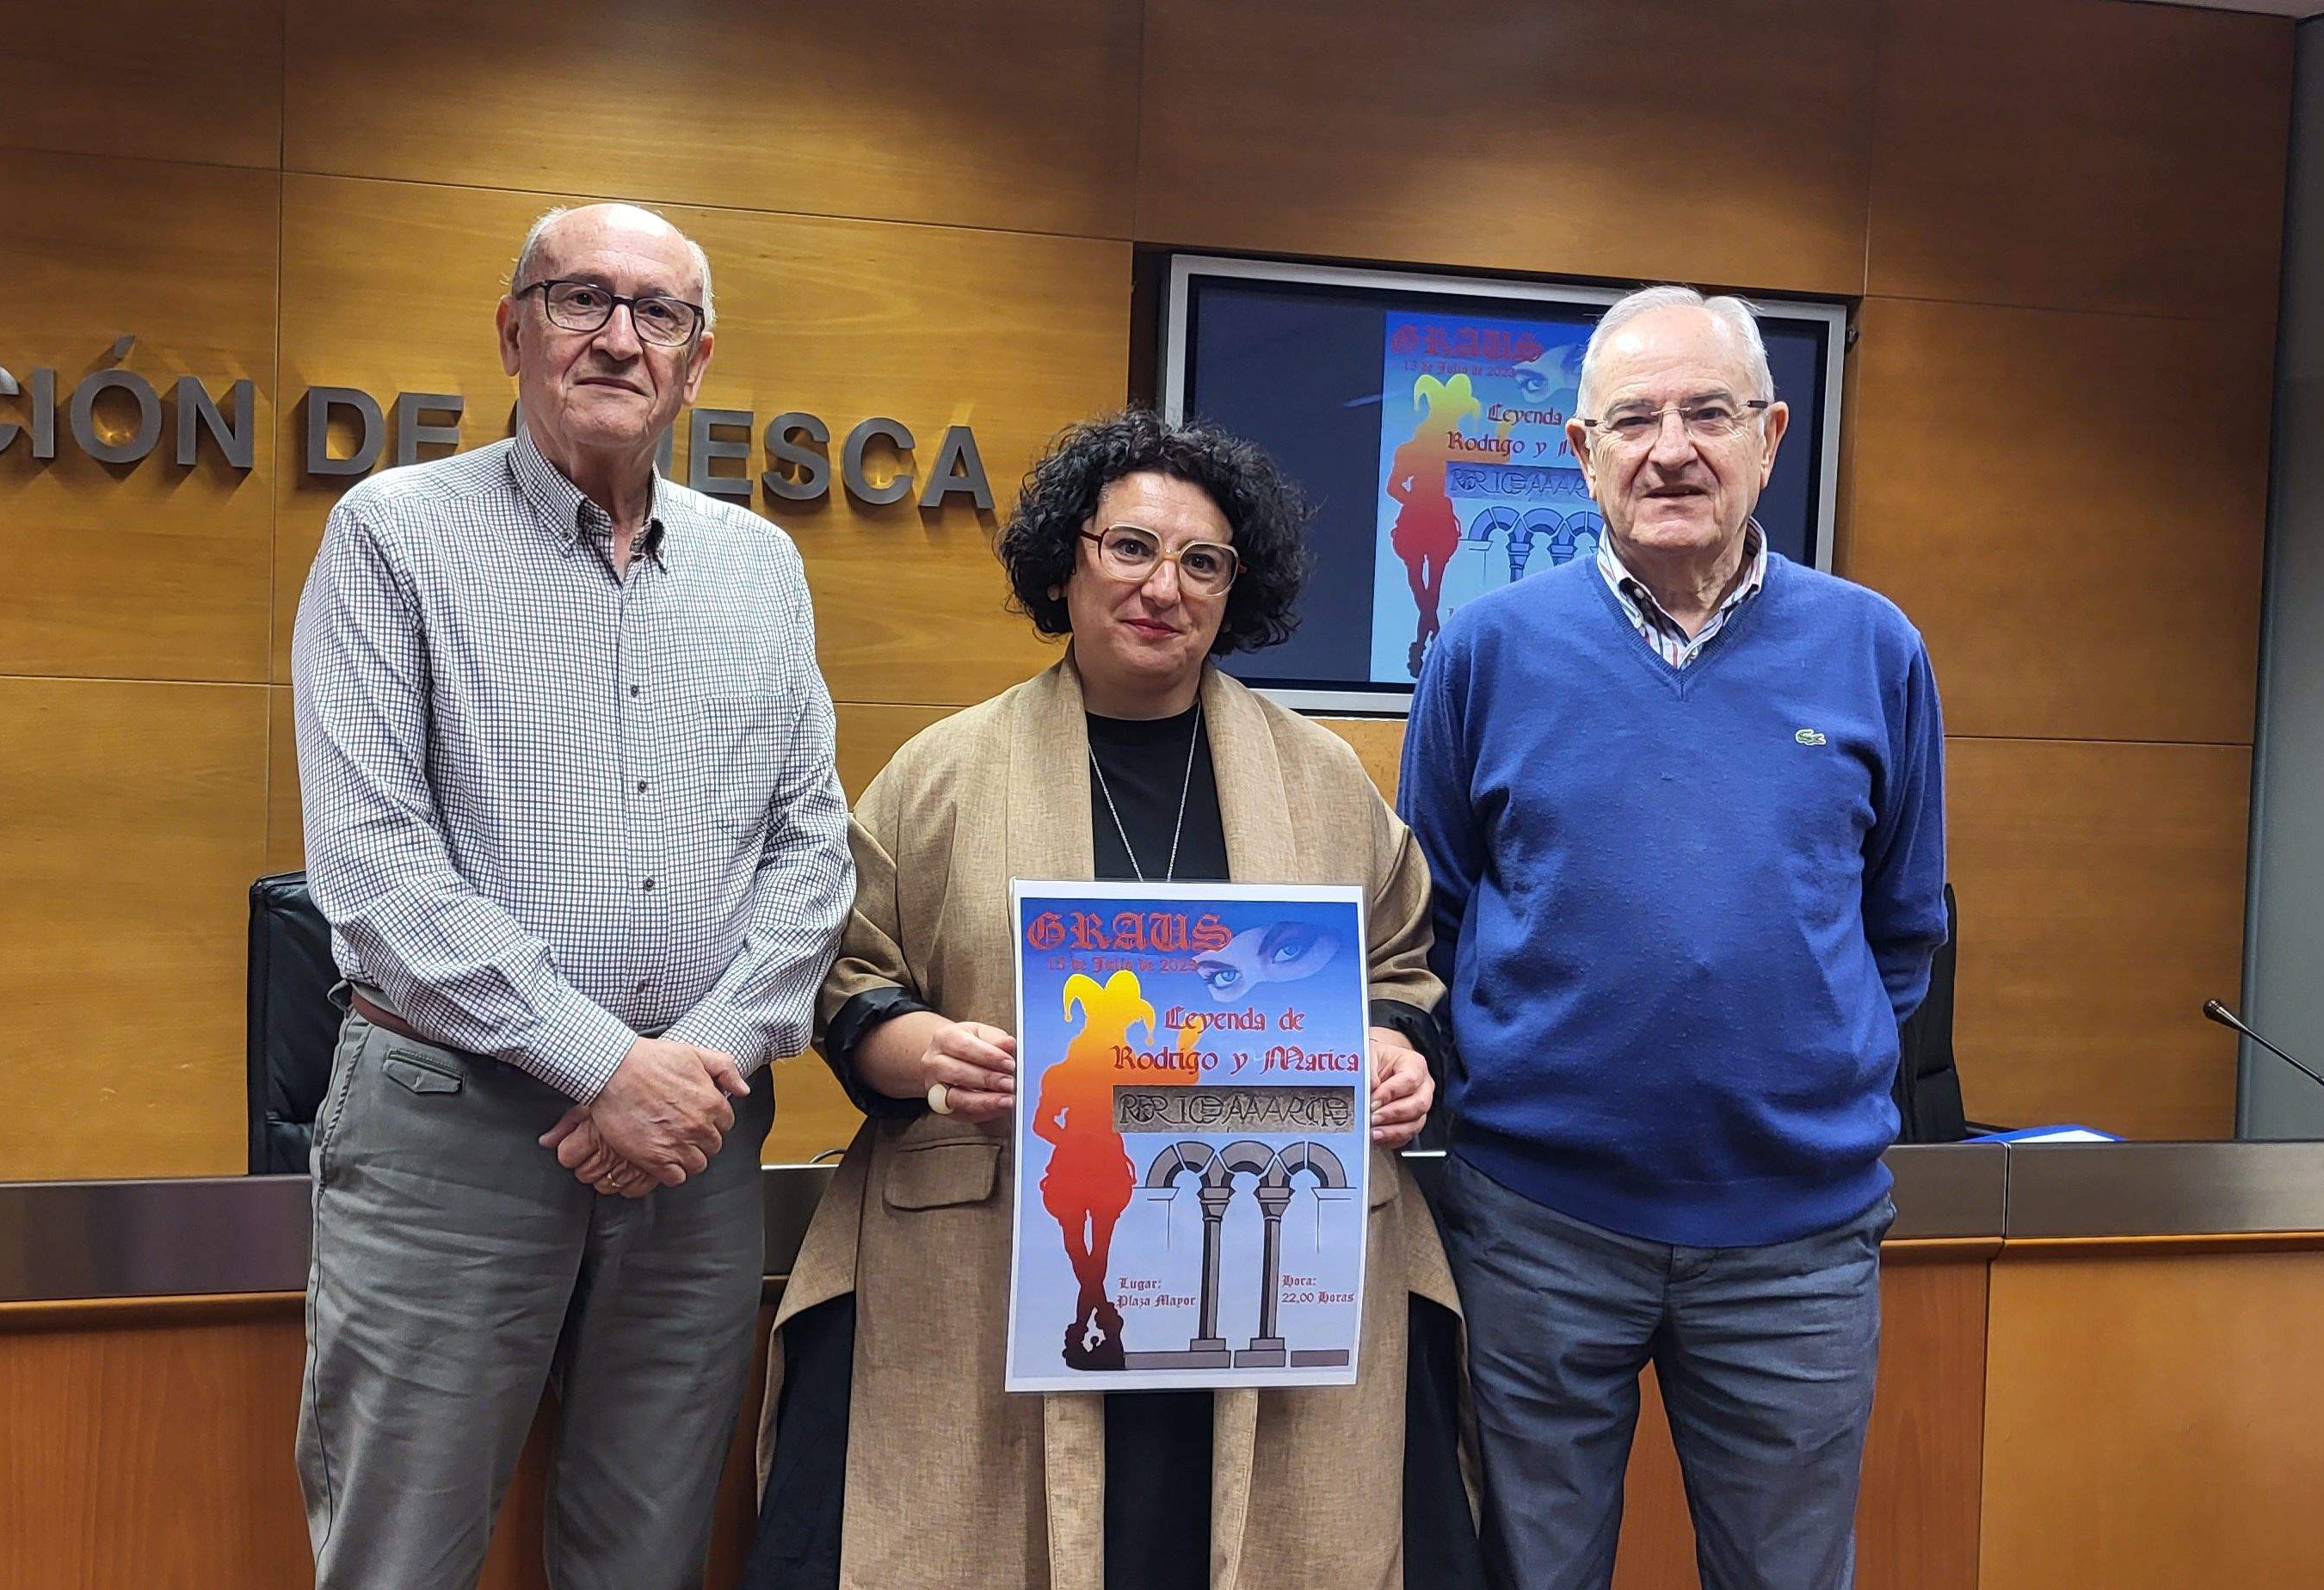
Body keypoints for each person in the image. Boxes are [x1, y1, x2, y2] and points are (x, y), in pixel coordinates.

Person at [748, 407, 1476, 1589]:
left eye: (1204, 562)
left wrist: (1397, 1049)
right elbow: (845, 969)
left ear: (1237, 589)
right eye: (1130, 547)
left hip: (1260, 1259)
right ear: (1066, 563)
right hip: (1004, 1264)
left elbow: (1401, 964)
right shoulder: (941, 773)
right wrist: (918, 1051)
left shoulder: (1324, 779)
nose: (1164, 589)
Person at [290, 200, 853, 1590]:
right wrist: (607, 1067)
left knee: (645, 1557)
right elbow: (373, 866)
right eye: (579, 298)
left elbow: (812, 855)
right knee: (401, 1555)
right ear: (513, 330)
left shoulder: (760, 569)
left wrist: (690, 1067)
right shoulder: (395, 535)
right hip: (454, 1129)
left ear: (696, 361)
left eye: (657, 313)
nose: (617, 337)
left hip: (695, 1147)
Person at [1399, 285, 1950, 1589]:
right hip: (1537, 1229)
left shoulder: (1874, 648)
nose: (1672, 449)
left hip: (1795, 1248)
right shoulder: (1482, 651)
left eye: (1708, 413)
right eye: (1634, 420)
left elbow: (1901, 928)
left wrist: (1782, 1078)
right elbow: (1432, 914)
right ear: (1581, 452)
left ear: (1770, 436)